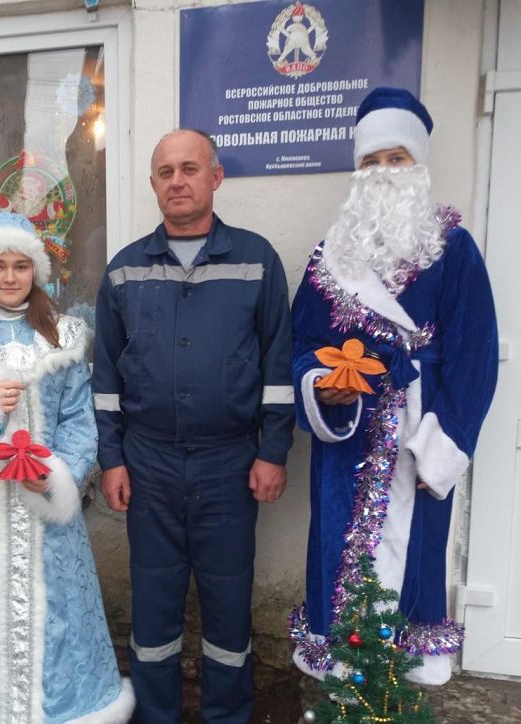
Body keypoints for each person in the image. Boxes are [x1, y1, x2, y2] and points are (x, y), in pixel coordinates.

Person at [289, 87, 499, 686]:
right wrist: (320, 386)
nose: (383, 172)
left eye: (396, 158)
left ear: (418, 165)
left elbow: (474, 358)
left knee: (414, 559)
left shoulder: (454, 249)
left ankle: (398, 692)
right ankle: (344, 683)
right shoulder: (330, 256)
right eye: (371, 161)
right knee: (340, 552)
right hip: (347, 445)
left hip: (418, 434)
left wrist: (444, 446)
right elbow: (301, 346)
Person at [93, 129, 295, 722]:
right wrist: (112, 458)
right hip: (148, 464)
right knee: (153, 607)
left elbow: (278, 366)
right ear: (153, 183)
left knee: (229, 607)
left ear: (216, 177)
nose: (177, 181)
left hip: (230, 464)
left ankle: (227, 715)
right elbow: (106, 376)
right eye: (166, 172)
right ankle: (156, 714)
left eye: (189, 168)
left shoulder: (256, 261)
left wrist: (273, 450)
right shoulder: (125, 270)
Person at [0, 211, 133, 723]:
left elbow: (79, 418)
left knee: (56, 607)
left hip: (45, 506)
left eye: (20, 265)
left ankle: (62, 709)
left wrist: (60, 475)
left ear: (36, 270)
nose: (9, 277)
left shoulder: (64, 335)